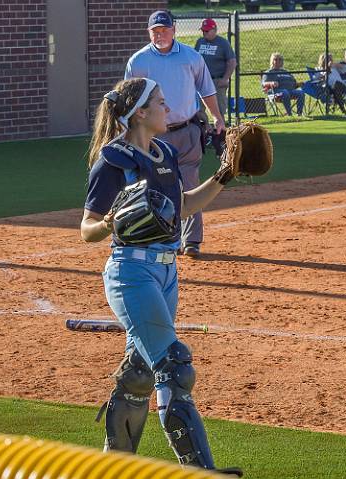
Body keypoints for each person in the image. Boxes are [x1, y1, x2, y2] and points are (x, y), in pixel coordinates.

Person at [82, 77, 241, 477]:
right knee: (174, 364)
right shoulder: (113, 160)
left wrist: (224, 174)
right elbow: (87, 229)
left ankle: (113, 466)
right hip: (131, 272)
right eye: (160, 102)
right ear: (140, 113)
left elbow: (183, 206)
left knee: (139, 372)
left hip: (167, 273)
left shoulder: (166, 153)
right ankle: (201, 471)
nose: (167, 108)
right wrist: (110, 223)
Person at [125, 10, 225, 258]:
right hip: (154, 137)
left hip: (187, 130)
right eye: (155, 31)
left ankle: (191, 241)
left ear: (174, 29)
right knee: (155, 187)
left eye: (164, 29)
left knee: (190, 184)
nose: (160, 34)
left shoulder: (191, 57)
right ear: (149, 32)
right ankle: (160, 237)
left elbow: (206, 89)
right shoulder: (138, 61)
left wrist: (217, 116)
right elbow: (129, 99)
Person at [194, 18, 237, 118]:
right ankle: (204, 130)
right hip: (201, 80)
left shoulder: (223, 43)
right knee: (198, 109)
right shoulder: (200, 42)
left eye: (207, 31)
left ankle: (220, 131)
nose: (204, 33)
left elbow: (232, 62)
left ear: (215, 30)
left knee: (219, 109)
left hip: (217, 80)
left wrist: (225, 79)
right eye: (203, 31)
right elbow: (195, 60)